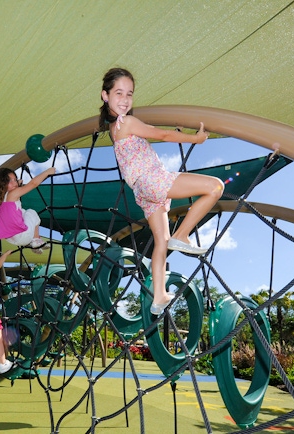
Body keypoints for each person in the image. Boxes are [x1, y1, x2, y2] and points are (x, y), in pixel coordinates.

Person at [99, 67, 224, 315]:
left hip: (141, 191)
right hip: (152, 180)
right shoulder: (129, 122)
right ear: (105, 96)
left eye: (129, 94)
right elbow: (162, 134)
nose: (125, 100)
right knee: (215, 186)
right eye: (118, 93)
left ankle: (159, 295)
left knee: (161, 242)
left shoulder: (114, 128)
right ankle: (184, 234)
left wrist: (175, 130)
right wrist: (194, 139)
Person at [0, 167, 55, 254]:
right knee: (31, 212)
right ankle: (36, 240)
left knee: (22, 211)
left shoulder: (1, 199)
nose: (14, 183)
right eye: (10, 181)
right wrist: (47, 172)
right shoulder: (13, 193)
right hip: (23, 236)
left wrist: (17, 183)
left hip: (11, 239)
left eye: (15, 179)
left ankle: (31, 241)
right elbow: (33, 183)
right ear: (2, 184)